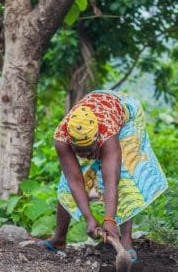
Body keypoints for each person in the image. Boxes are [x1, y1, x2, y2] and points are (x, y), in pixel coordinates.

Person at [35, 90, 168, 261]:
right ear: (71, 143)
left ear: (98, 140)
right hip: (93, 110)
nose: (87, 156)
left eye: (90, 150)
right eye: (79, 152)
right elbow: (74, 180)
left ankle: (126, 244)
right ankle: (59, 239)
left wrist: (109, 220)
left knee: (126, 176)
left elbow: (111, 182)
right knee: (66, 183)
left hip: (125, 113)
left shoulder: (108, 134)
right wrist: (89, 218)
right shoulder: (62, 138)